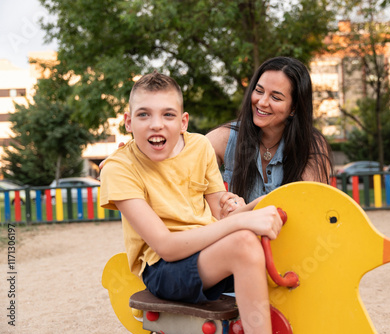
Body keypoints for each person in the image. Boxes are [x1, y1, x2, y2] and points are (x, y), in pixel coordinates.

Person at [99, 71, 284, 334]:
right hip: (163, 269)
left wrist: (249, 206)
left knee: (276, 219)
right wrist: (243, 221)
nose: (156, 124)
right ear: (128, 122)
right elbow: (167, 247)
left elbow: (221, 216)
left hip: (208, 251)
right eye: (143, 114)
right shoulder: (119, 169)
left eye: (168, 114)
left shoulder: (199, 147)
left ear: (183, 121)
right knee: (243, 242)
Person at [207, 56, 333, 206]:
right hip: (238, 229)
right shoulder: (226, 137)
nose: (262, 102)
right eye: (259, 91)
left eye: (275, 97)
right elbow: (186, 165)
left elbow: (305, 209)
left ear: (293, 108)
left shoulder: (311, 146)